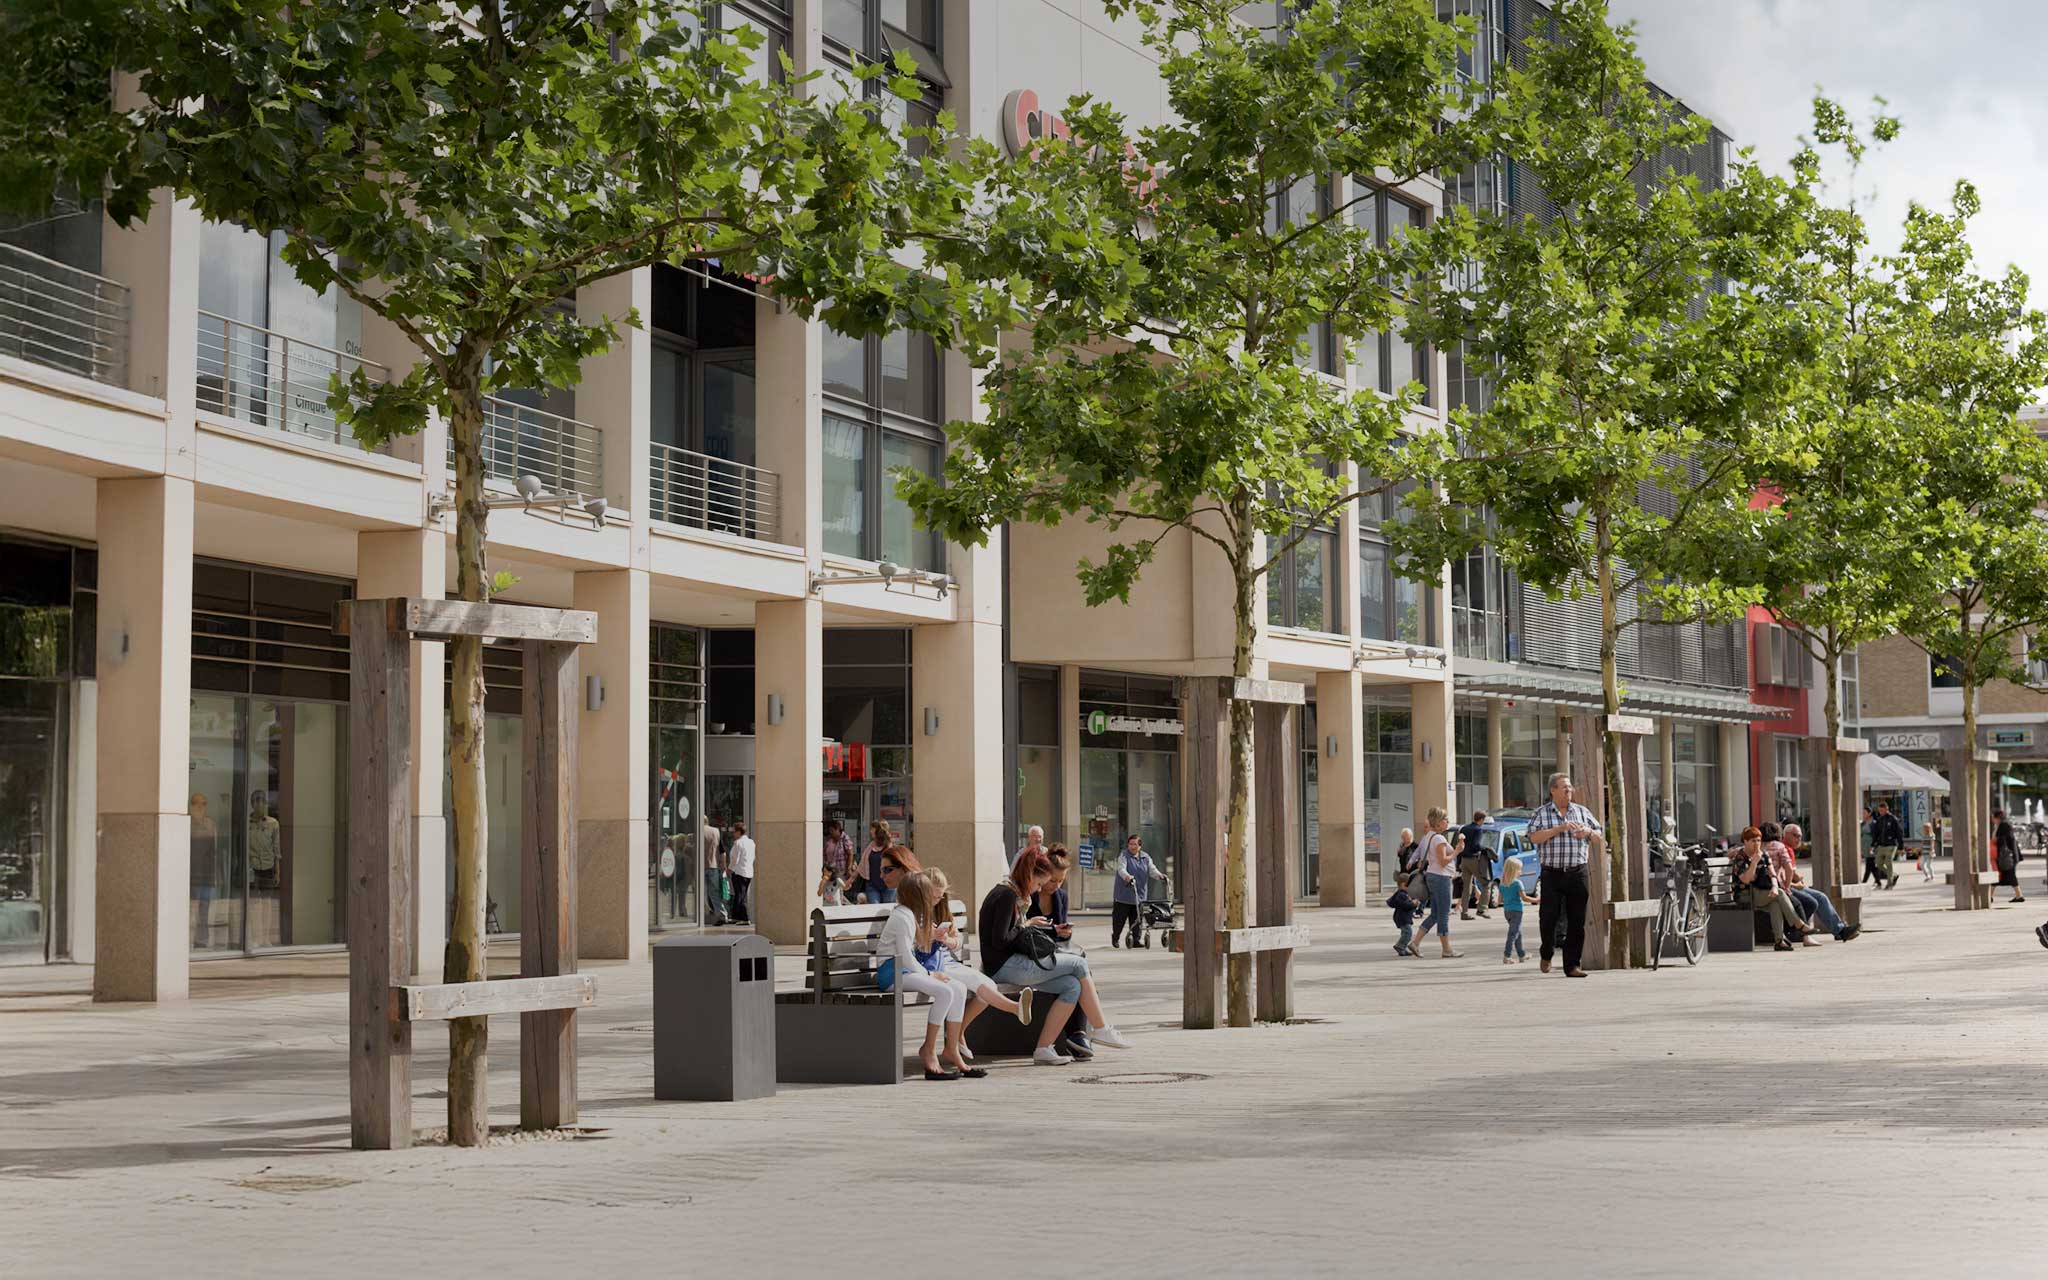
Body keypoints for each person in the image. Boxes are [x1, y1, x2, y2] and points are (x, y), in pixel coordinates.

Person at [979, 848, 1132, 1064]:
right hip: (1005, 966)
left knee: (1071, 985)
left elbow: (1005, 936)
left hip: (1007, 964)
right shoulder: (1006, 895)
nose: (1038, 889)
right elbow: (1001, 940)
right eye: (1039, 883)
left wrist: (1027, 926)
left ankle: (1043, 1049)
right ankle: (1100, 1028)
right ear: (1030, 875)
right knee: (1079, 964)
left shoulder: (1008, 892)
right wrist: (1027, 924)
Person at [872, 869, 980, 1079]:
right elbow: (905, 957)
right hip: (891, 972)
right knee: (944, 991)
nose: (932, 899)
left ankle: (952, 1049)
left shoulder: (911, 915)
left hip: (904, 970)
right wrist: (930, 975)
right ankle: (929, 1050)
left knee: (958, 987)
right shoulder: (902, 916)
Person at [920, 868, 1032, 1062]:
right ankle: (1015, 1008)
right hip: (931, 964)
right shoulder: (917, 911)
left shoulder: (941, 908)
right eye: (933, 896)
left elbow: (957, 943)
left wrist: (947, 940)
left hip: (947, 960)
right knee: (970, 985)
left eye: (939, 896)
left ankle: (959, 1034)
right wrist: (930, 936)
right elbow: (914, 945)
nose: (936, 901)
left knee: (988, 985)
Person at [1529, 773, 1602, 977]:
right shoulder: (1541, 813)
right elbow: (1534, 837)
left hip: (1577, 872)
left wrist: (1586, 832)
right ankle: (1547, 952)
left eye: (1570, 787)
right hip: (1552, 874)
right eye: (1564, 787)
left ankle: (1572, 965)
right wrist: (1559, 828)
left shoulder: (1581, 811)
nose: (1568, 790)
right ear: (1553, 790)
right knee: (1548, 918)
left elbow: (1599, 836)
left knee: (1576, 921)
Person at [1777, 823, 1859, 942]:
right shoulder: (1786, 848)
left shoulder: (1784, 848)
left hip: (1786, 886)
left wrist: (1797, 879)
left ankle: (1839, 930)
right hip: (1786, 887)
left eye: (1800, 836)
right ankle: (1839, 931)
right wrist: (1797, 883)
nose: (1799, 839)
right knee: (1819, 898)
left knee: (1819, 897)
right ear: (1786, 835)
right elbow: (1789, 875)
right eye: (1795, 836)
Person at [1734, 824, 1809, 952]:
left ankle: (1779, 941)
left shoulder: (1764, 854)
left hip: (1763, 892)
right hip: (1746, 893)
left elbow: (1772, 873)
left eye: (1758, 840)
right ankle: (1798, 924)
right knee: (1779, 894)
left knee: (1776, 902)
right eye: (1753, 841)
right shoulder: (1741, 857)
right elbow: (1746, 879)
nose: (1756, 844)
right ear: (1745, 841)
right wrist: (1754, 863)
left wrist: (1774, 886)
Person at [1407, 808, 1463, 959]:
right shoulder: (1439, 839)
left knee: (1436, 914)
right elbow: (1443, 861)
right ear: (1438, 822)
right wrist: (1457, 850)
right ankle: (1447, 949)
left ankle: (1415, 942)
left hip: (1433, 876)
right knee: (1443, 915)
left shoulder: (1428, 837)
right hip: (1441, 878)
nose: (1448, 822)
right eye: (1446, 819)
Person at [1111, 833, 1158, 948]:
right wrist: (1127, 876)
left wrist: (1160, 876)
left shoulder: (1146, 857)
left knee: (1137, 919)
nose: (1132, 846)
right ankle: (1116, 937)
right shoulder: (1124, 855)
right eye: (1130, 844)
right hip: (1123, 895)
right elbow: (1121, 869)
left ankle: (1136, 940)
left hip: (1139, 895)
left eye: (1135, 844)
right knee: (1119, 920)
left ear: (1140, 846)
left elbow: (1152, 870)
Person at [189, 792, 222, 948]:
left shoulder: (211, 825)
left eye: (204, 803)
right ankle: (187, 939)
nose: (201, 807)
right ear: (191, 805)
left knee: (204, 909)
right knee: (190, 909)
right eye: (197, 803)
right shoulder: (186, 824)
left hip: (207, 875)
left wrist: (216, 876)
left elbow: (215, 852)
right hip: (191, 874)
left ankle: (201, 940)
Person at [1499, 855, 1537, 964]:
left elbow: (1499, 900)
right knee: (1513, 934)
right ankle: (1507, 956)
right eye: (1519, 869)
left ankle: (1522, 955)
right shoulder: (1517, 883)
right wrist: (1537, 900)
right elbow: (1524, 898)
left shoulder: (1502, 884)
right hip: (1517, 911)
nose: (1521, 871)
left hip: (1507, 911)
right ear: (1514, 871)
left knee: (1517, 933)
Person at [1458, 810, 1492, 919]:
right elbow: (1476, 845)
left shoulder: (1464, 828)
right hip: (1473, 859)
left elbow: (1460, 844)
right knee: (1486, 884)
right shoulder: (1478, 830)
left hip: (1464, 860)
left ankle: (1464, 912)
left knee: (1466, 888)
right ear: (1481, 819)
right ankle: (1482, 909)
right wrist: (1485, 848)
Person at [726, 820, 755, 924]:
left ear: (738, 832)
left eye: (734, 832)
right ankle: (736, 916)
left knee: (740, 895)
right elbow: (753, 857)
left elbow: (735, 859)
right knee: (740, 894)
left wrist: (729, 869)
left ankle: (745, 918)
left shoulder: (738, 843)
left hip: (739, 872)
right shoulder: (751, 842)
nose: (733, 834)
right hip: (748, 872)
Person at [1870, 800, 1904, 890]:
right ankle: (1893, 875)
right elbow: (1876, 834)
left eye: (1882, 810)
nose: (1880, 812)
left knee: (1888, 863)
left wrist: (1901, 847)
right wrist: (1873, 845)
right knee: (1878, 863)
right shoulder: (1879, 820)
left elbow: (1899, 833)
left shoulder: (1893, 819)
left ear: (1886, 809)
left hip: (1891, 845)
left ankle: (1890, 883)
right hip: (1881, 845)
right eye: (1879, 810)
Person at [859, 821, 895, 904]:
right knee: (874, 909)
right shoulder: (871, 846)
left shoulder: (890, 847)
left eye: (872, 829)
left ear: (878, 832)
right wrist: (851, 879)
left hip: (889, 884)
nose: (870, 832)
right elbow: (861, 864)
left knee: (887, 909)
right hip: (872, 885)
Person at [1993, 808, 2025, 903]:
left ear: (1998, 818)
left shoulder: (2004, 826)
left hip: (2008, 857)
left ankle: (2019, 896)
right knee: (2003, 876)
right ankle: (2019, 896)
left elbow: (2005, 839)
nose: (1992, 819)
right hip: (2008, 856)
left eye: (1993, 817)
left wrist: (1996, 840)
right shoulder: (2002, 825)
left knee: (2005, 875)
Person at [821, 818, 855, 902]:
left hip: (841, 871)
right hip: (830, 872)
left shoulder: (844, 838)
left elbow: (850, 853)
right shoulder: (829, 841)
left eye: (832, 831)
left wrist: (849, 869)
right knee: (833, 893)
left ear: (837, 829)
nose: (831, 833)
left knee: (840, 892)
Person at [1387, 872, 1419, 956]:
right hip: (1402, 918)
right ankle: (1400, 946)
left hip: (1404, 917)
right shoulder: (1401, 895)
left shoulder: (1405, 894)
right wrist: (1413, 904)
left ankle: (1403, 948)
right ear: (1403, 885)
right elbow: (1405, 905)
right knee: (1408, 933)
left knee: (1405, 933)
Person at [1860, 807, 1878, 886]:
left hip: (1871, 845)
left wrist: (1873, 845)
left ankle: (1864, 882)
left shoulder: (1874, 823)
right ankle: (1878, 881)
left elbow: (1876, 835)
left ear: (1869, 813)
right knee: (1871, 865)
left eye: (1864, 813)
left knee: (1869, 864)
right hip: (1864, 845)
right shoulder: (1863, 823)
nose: (1863, 814)